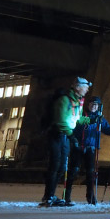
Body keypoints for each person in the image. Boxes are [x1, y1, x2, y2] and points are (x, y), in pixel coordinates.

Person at [40, 76, 95, 207]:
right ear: (77, 87)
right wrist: (71, 136)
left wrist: (90, 120)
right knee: (55, 165)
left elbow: (77, 118)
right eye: (85, 87)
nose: (87, 90)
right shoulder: (64, 100)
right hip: (57, 134)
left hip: (65, 135)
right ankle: (48, 197)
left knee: (61, 166)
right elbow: (61, 120)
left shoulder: (78, 101)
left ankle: (51, 196)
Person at [65, 96, 110, 205]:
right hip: (78, 146)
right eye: (92, 104)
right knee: (73, 171)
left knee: (91, 173)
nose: (94, 107)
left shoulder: (100, 118)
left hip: (91, 147)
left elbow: (107, 129)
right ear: (88, 105)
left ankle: (90, 196)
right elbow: (76, 126)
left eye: (96, 105)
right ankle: (67, 195)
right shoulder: (81, 115)